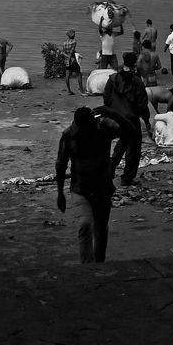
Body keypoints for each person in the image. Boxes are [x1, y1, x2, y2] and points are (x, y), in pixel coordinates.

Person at [55, 106, 131, 263]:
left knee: (101, 229)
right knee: (84, 225)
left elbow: (130, 131)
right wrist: (60, 193)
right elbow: (61, 164)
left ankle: (99, 264)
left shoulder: (105, 127)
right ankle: (88, 267)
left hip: (102, 187)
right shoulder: (69, 135)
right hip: (80, 188)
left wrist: (113, 113)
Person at [102, 52, 152, 186]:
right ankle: (127, 178)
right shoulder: (137, 82)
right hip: (130, 120)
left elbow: (106, 98)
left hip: (112, 118)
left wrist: (111, 111)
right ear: (134, 64)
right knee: (134, 148)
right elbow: (142, 104)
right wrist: (146, 121)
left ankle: (111, 167)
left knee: (122, 142)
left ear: (124, 63)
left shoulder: (112, 79)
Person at [62, 28, 86, 95]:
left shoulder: (65, 43)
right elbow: (72, 52)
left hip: (66, 60)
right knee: (79, 74)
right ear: (73, 35)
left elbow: (63, 52)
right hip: (72, 60)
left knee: (67, 75)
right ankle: (81, 91)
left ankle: (69, 91)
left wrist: (67, 58)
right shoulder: (74, 42)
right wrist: (71, 58)